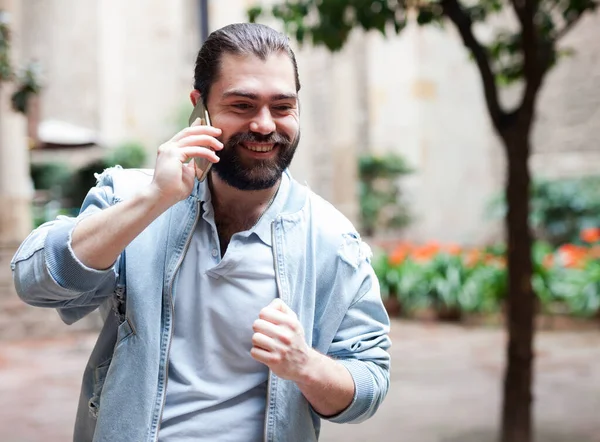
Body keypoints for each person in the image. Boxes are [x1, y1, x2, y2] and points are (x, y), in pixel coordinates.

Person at [11, 23, 391, 442]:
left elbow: (368, 383)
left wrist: (305, 365)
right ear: (200, 107)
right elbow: (37, 282)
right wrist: (154, 199)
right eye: (243, 105)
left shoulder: (332, 240)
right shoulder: (133, 197)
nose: (265, 125)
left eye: (282, 106)